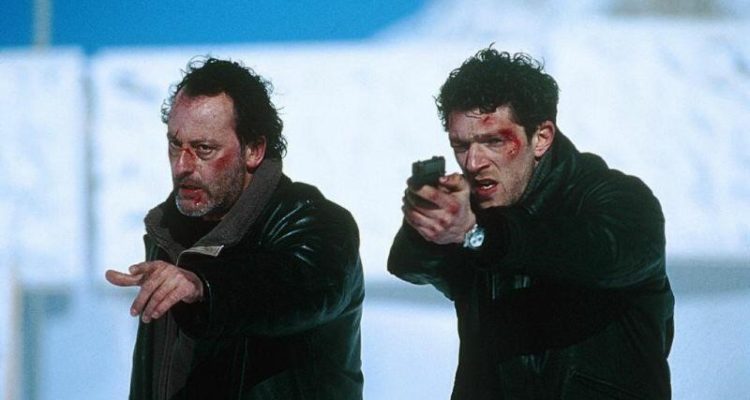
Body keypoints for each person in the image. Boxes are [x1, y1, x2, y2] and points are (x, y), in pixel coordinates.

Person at [388, 48, 674, 399]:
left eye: (493, 141)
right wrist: (429, 218)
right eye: (460, 145)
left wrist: (478, 235)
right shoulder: (476, 210)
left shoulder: (619, 199)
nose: (473, 162)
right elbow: (409, 266)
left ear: (541, 138)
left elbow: (593, 254)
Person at [105, 57, 364, 400]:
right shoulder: (168, 234)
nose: (182, 165)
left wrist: (204, 286)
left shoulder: (316, 222)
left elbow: (294, 287)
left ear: (254, 150)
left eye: (204, 149)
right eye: (175, 144)